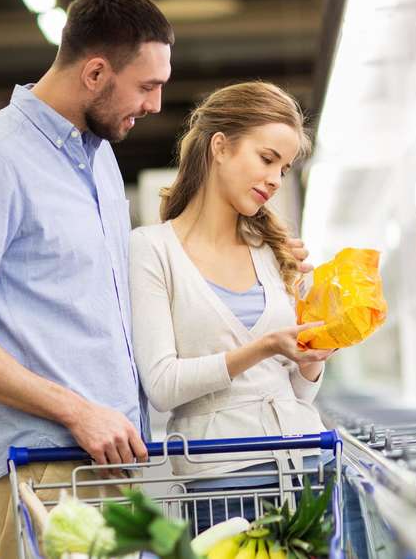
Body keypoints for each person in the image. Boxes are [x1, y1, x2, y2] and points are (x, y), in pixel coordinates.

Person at [0, 0, 313, 558]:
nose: (154, 106)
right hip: (43, 469)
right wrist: (76, 411)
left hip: (116, 463)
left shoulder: (98, 158)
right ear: (96, 72)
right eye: (146, 86)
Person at [128, 81, 333, 528]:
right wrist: (267, 346)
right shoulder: (152, 250)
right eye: (267, 159)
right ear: (220, 147)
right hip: (220, 480)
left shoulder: (274, 252)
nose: (276, 180)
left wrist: (314, 357)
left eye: (285, 167)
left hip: (308, 467)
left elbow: (299, 390)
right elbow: (162, 385)